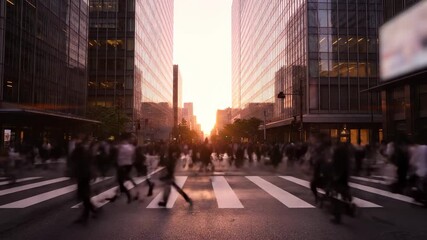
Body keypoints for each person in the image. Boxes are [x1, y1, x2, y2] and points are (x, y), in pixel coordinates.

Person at [70, 134, 98, 224]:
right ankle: (91, 212)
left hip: (83, 174)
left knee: (83, 195)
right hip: (85, 174)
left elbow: (72, 159)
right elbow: (91, 163)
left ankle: (87, 215)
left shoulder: (80, 149)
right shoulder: (87, 150)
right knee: (84, 195)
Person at [158, 141, 192, 207]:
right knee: (172, 188)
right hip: (169, 175)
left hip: (169, 175)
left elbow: (168, 165)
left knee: (170, 189)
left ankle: (187, 198)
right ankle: (187, 198)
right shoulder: (172, 158)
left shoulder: (170, 158)